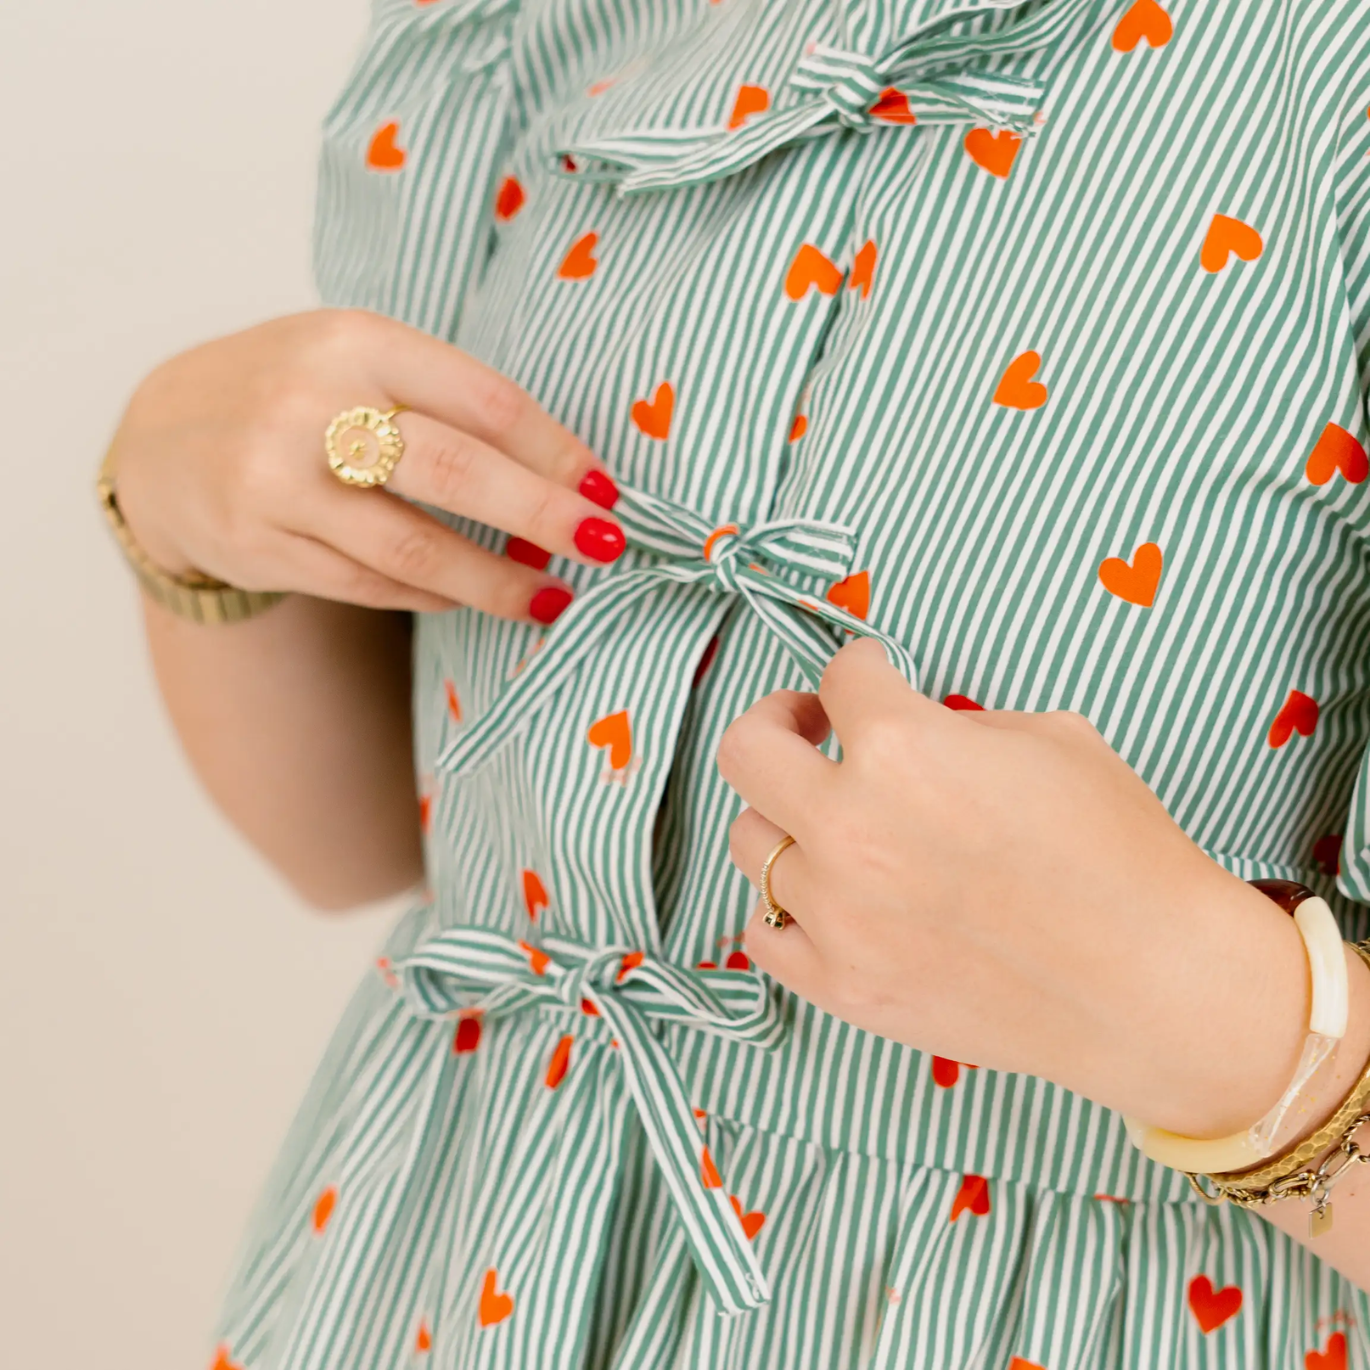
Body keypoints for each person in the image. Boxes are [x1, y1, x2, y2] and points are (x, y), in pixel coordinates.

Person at [99, 0, 1370, 1366]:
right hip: (438, 1277)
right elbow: (357, 844)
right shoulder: (521, 27)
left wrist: (1187, 1004)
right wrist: (174, 522)